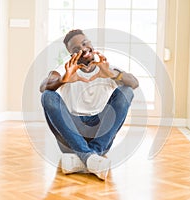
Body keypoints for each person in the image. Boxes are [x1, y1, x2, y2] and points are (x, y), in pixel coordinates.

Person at [40, 29, 139, 180]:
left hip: (100, 132)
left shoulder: (107, 68)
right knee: (48, 96)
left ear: (91, 44)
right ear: (72, 55)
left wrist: (112, 74)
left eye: (85, 43)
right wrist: (64, 79)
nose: (83, 48)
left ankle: (84, 158)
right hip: (72, 133)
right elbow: (43, 87)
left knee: (127, 91)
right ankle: (93, 158)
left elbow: (134, 84)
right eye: (76, 49)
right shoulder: (65, 70)